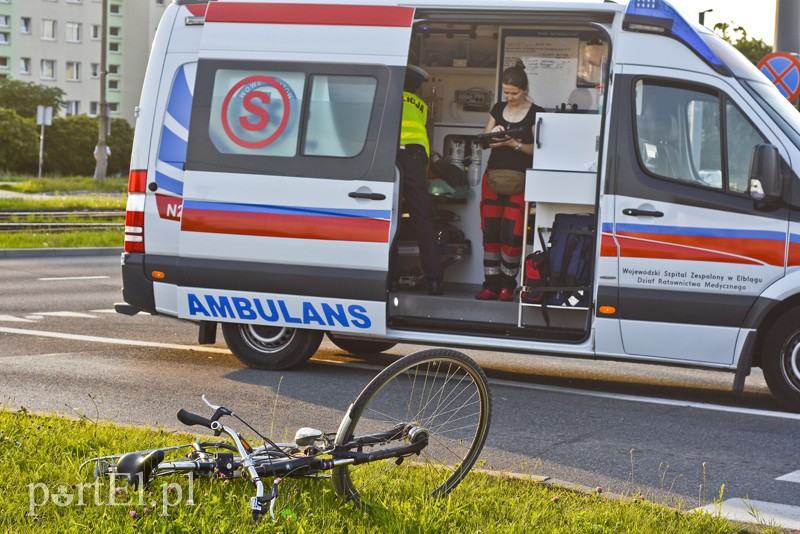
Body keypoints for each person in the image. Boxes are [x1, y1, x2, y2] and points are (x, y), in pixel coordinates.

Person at [475, 61, 544, 301]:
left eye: (513, 93)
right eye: (505, 92)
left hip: (521, 180)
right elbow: (484, 141)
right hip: (493, 177)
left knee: (512, 234)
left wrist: (512, 143)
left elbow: (539, 151)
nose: (509, 96)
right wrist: (496, 136)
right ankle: (490, 284)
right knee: (490, 231)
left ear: (525, 90)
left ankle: (507, 285)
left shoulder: (536, 113)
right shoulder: (497, 108)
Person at [392, 64, 444, 296]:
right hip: (415, 161)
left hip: (393, 160)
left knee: (389, 218)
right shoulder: (420, 105)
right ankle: (434, 281)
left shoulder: (388, 98)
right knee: (423, 220)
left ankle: (391, 278)